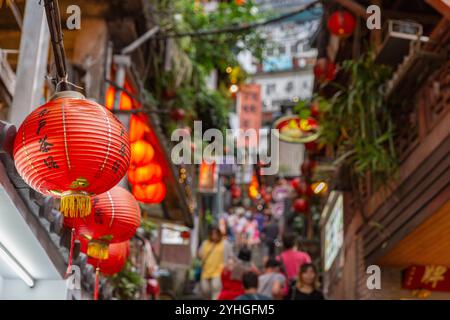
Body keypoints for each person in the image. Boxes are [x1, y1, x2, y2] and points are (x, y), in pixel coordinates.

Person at [198, 227, 232, 300]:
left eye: (216, 234)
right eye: (212, 234)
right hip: (206, 271)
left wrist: (228, 266)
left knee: (216, 287)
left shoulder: (225, 243)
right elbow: (200, 255)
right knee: (205, 289)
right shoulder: (205, 243)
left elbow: (230, 256)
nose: (214, 236)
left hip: (218, 271)